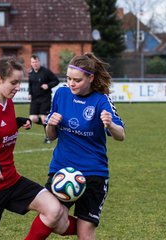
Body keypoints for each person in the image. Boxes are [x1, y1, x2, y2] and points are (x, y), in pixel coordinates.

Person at [0, 56, 76, 240]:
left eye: (20, 82)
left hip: (11, 180)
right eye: (14, 82)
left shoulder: (7, 100)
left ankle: (86, 229)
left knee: (54, 210)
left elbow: (0, 129)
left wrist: (18, 121)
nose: (18, 87)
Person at [45, 52, 125, 239]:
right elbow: (51, 136)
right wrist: (50, 124)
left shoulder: (101, 100)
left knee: (85, 232)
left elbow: (121, 135)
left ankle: (83, 229)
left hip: (93, 174)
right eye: (68, 79)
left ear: (90, 78)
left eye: (77, 80)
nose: (71, 83)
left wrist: (110, 125)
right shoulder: (61, 94)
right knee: (52, 217)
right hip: (61, 170)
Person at [28, 54, 59, 144]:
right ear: (31, 63)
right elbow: (30, 85)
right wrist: (30, 93)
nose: (35, 64)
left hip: (45, 98)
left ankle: (48, 137)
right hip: (34, 98)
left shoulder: (46, 72)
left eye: (36, 62)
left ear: (39, 62)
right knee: (32, 118)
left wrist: (48, 85)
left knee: (43, 117)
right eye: (33, 62)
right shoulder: (31, 73)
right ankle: (49, 125)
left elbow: (56, 81)